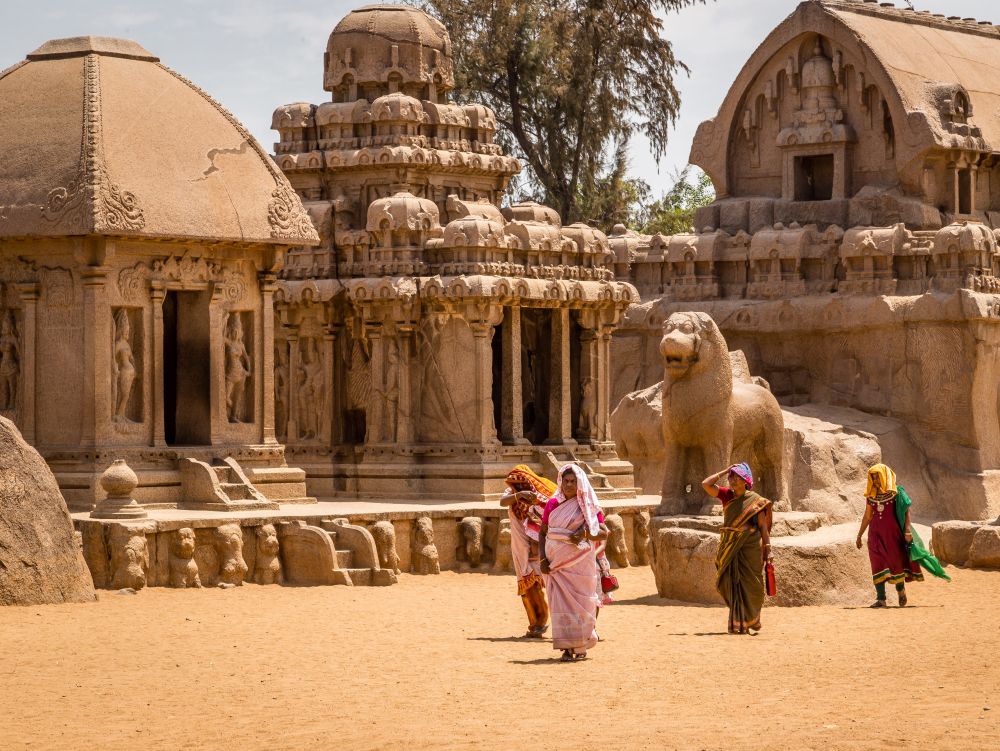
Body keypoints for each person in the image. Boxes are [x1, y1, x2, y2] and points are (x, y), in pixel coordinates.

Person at [539, 464, 608, 661]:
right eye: (565, 481)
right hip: (555, 565)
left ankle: (581, 645)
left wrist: (585, 533)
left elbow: (603, 532)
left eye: (573, 481)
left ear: (579, 483)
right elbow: (543, 532)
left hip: (580, 565)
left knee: (582, 603)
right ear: (560, 481)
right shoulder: (553, 504)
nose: (568, 485)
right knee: (560, 605)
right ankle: (567, 647)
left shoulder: (588, 505)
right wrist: (543, 559)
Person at [856, 463, 950, 607]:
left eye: (878, 478)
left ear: (885, 477)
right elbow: (868, 516)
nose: (875, 481)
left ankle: (901, 593)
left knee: (895, 563)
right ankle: (881, 599)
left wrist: (907, 530)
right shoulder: (871, 496)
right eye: (873, 479)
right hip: (875, 535)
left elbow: (906, 512)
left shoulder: (896, 493)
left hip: (893, 535)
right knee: (877, 563)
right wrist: (859, 535)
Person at [702, 462, 773, 635]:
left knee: (753, 585)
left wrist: (768, 549)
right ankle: (739, 623)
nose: (732, 480)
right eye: (731, 477)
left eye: (736, 477)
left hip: (750, 548)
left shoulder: (756, 501)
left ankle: (753, 619)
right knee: (731, 582)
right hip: (730, 547)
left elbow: (763, 527)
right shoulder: (727, 496)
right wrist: (725, 470)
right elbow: (706, 484)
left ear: (745, 480)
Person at [499, 464, 554, 638]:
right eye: (518, 485)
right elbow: (502, 502)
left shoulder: (540, 494)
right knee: (528, 586)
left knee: (537, 585)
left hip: (539, 547)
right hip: (521, 547)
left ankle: (542, 621)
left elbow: (551, 508)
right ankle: (535, 624)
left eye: (524, 485)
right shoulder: (513, 495)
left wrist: (535, 501)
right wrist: (519, 495)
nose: (521, 487)